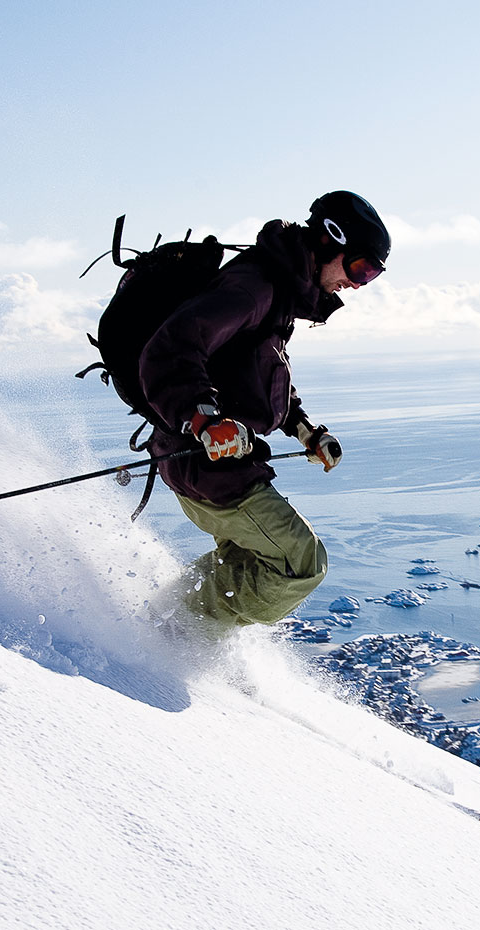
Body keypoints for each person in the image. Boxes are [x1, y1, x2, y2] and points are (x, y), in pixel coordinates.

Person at [139, 191, 391, 630]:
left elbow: (258, 375)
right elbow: (169, 349)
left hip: (215, 465)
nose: (358, 283)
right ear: (330, 241)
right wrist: (203, 420)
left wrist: (305, 430)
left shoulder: (280, 295)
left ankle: (169, 622)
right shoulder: (255, 287)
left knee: (246, 563)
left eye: (371, 275)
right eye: (360, 267)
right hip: (207, 466)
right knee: (301, 563)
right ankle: (178, 628)